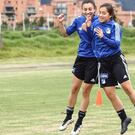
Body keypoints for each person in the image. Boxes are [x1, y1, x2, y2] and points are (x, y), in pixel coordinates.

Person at [84, 3, 135, 134]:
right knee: (109, 93)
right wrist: (88, 26)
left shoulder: (115, 26)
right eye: (100, 12)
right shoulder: (95, 23)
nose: (101, 15)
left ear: (110, 15)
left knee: (127, 88)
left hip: (116, 60)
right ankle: (124, 119)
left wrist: (103, 37)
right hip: (102, 63)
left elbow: (116, 44)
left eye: (104, 13)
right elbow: (90, 38)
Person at [56, 0, 98, 135]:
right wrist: (60, 24)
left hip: (94, 60)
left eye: (90, 9)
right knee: (74, 89)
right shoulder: (78, 20)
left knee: (85, 92)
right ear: (82, 10)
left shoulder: (99, 21)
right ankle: (68, 117)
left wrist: (89, 26)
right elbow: (64, 34)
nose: (87, 11)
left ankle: (79, 122)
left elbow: (96, 38)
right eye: (85, 9)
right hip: (81, 58)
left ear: (94, 9)